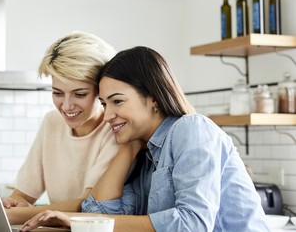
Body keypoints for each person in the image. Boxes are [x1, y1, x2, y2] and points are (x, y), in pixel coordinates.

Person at [20, 46, 270, 232]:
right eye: (104, 104)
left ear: (153, 98)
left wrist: (80, 221)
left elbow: (192, 223)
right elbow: (98, 212)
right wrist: (128, 149)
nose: (107, 115)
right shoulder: (144, 153)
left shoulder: (191, 129)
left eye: (117, 101)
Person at [3, 31, 120, 225]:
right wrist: (12, 204)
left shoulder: (114, 130)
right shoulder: (52, 122)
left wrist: (13, 216)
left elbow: (88, 204)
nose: (66, 106)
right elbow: (23, 195)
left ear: (102, 90)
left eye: (79, 94)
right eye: (58, 93)